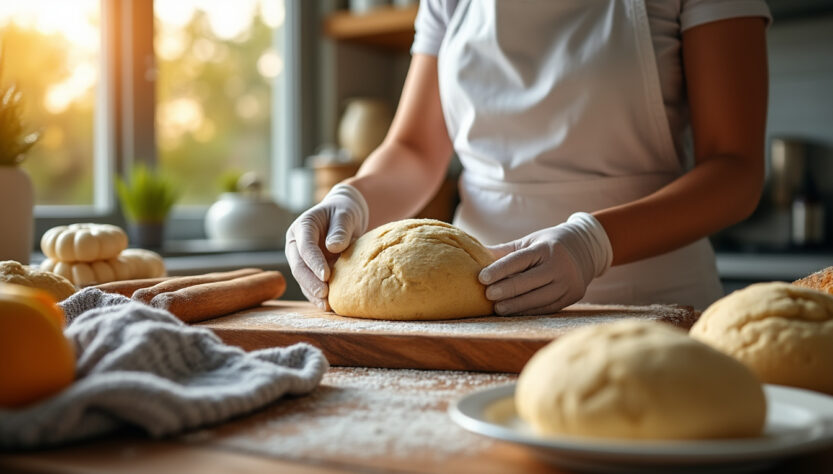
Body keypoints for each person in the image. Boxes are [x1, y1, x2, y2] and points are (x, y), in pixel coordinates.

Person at [286, 0, 771, 314]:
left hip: (653, 304)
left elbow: (735, 168)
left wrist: (593, 243)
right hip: (477, 303)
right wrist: (352, 198)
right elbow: (415, 151)